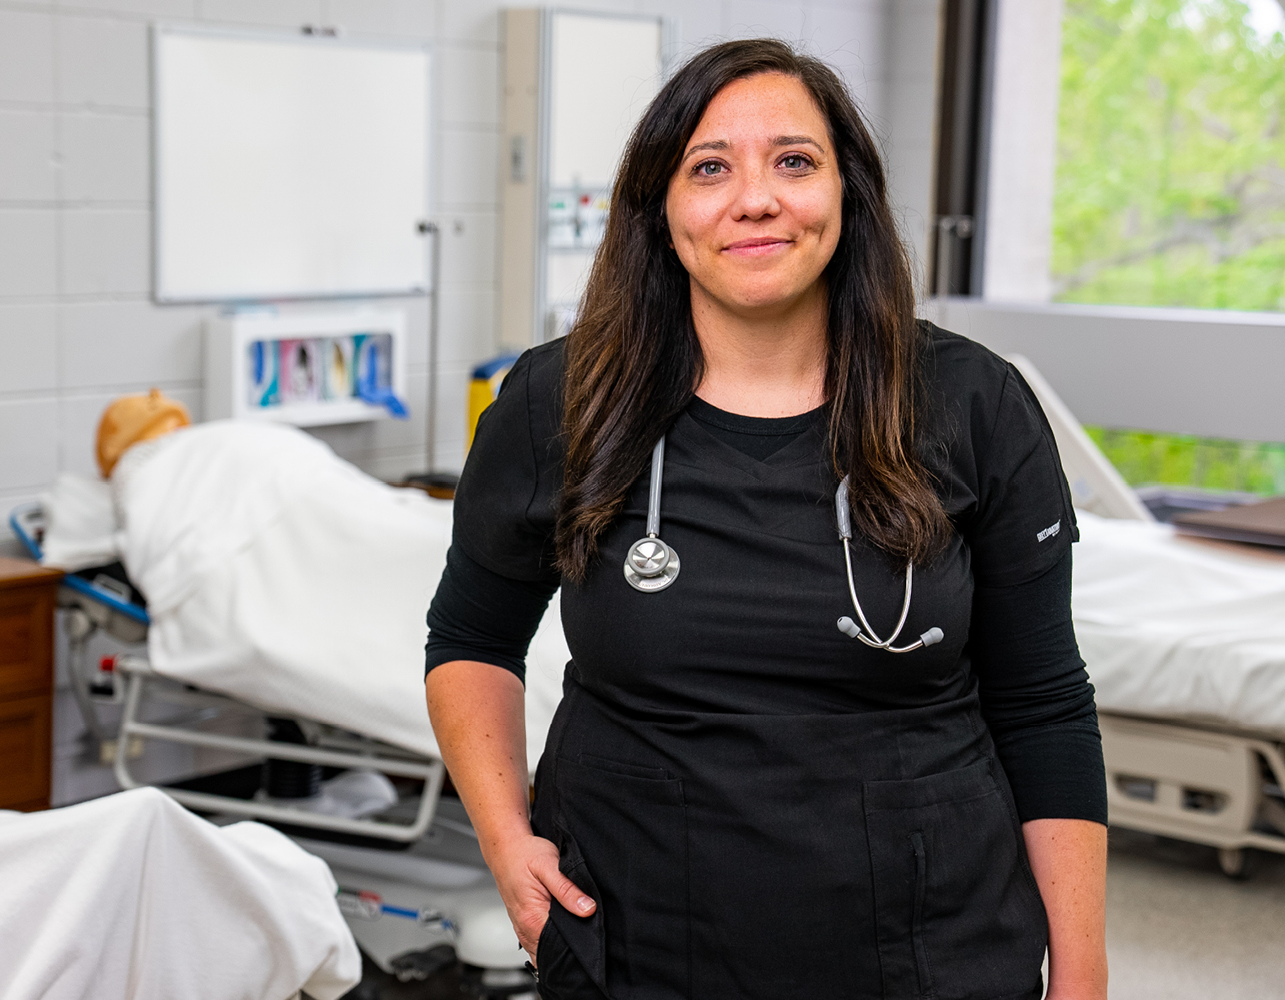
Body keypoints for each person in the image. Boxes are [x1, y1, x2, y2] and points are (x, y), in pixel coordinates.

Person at [425, 38, 1108, 1000]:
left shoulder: (971, 404)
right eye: (710, 168)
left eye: (794, 161)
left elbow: (1044, 704)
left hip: (925, 942)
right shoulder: (560, 400)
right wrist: (505, 841)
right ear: (660, 212)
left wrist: (1083, 974)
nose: (755, 199)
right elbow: (469, 638)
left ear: (848, 195)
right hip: (637, 931)